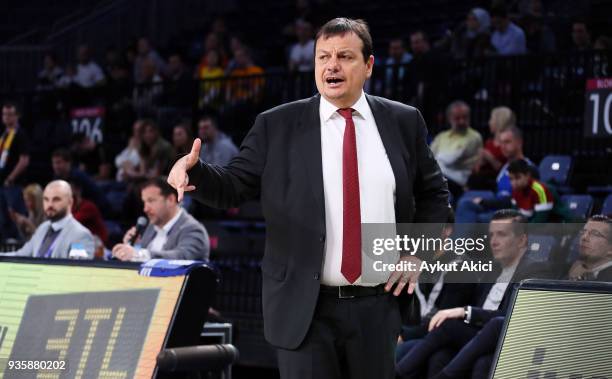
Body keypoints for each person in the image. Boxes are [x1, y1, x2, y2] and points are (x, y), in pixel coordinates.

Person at [167, 17, 449, 379]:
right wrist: (196, 173)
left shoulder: (403, 121)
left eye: (345, 56)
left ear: (368, 65)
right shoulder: (277, 124)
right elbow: (234, 184)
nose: (332, 65)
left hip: (377, 307)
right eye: (323, 56)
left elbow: (434, 193)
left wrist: (416, 253)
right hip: (305, 308)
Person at [429, 215, 612, 379]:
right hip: (538, 338)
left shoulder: (605, 279)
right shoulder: (567, 267)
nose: (584, 237)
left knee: (494, 325)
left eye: (595, 234)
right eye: (584, 231)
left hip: (573, 347)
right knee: (474, 361)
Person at [396, 210, 550, 378]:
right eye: (491, 235)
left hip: (509, 339)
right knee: (440, 355)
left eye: (501, 235)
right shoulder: (491, 269)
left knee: (460, 335)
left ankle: (397, 374)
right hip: (477, 335)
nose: (494, 242)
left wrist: (467, 312)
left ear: (521, 240)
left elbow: (514, 318)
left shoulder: (535, 271)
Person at [111, 178, 209, 262]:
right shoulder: (150, 227)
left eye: (151, 201)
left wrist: (138, 254)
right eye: (144, 202)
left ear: (170, 200)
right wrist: (133, 247)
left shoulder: (193, 229)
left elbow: (182, 257)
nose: (145, 209)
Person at [12, 180, 95, 259]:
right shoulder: (43, 228)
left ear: (70, 202)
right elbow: (20, 255)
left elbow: (77, 270)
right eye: (46, 199)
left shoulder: (80, 235)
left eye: (56, 199)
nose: (50, 205)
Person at [431, 100, 483, 200]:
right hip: (439, 178)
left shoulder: (474, 137)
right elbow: (429, 158)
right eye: (457, 118)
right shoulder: (441, 137)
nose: (462, 121)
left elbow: (454, 160)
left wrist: (440, 158)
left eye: (465, 117)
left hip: (458, 183)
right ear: (449, 119)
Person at [71, 181, 108, 246]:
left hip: (97, 241)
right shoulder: (72, 206)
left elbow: (72, 222)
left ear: (78, 191)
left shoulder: (88, 206)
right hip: (82, 239)